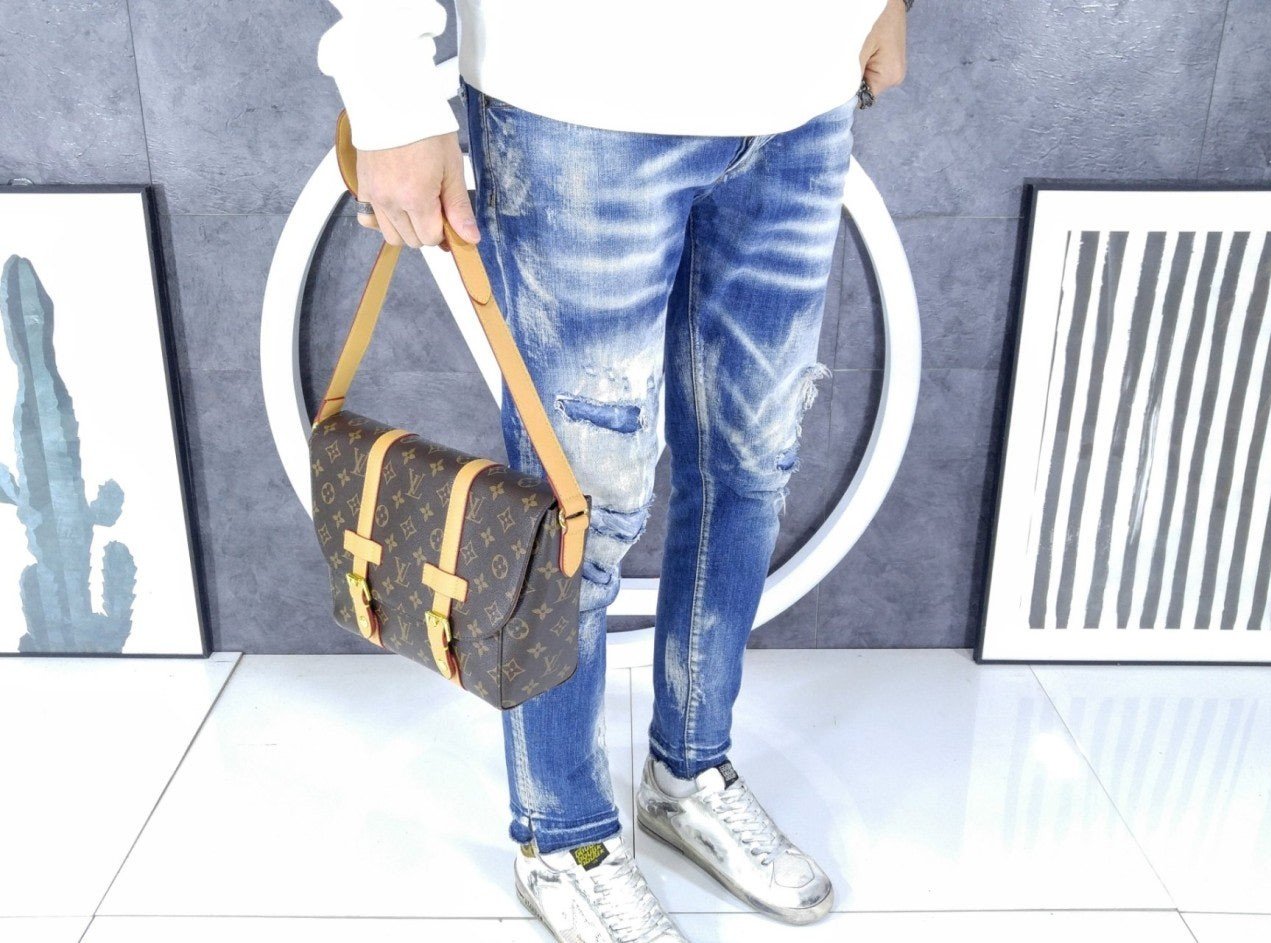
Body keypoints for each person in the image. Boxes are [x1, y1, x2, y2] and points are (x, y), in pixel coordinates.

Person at [317, 2, 910, 939]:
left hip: (807, 87)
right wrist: (388, 83)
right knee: (581, 514)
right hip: (582, 91)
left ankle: (690, 770)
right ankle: (565, 838)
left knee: (753, 461)